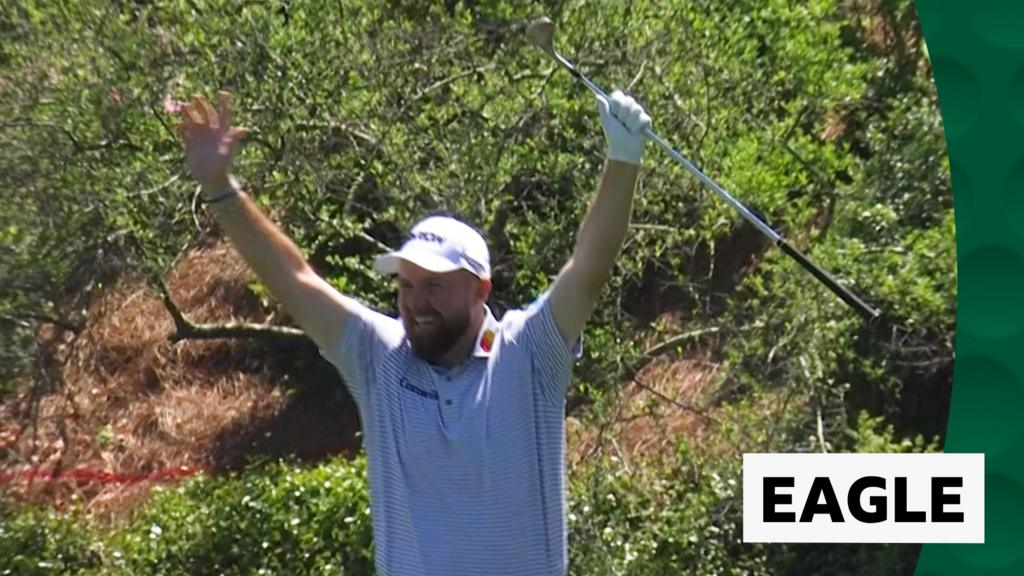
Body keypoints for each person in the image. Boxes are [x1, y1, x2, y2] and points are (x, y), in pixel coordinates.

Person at [176, 87, 651, 576]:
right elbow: (294, 279)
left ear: (479, 289)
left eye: (434, 285)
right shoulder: (378, 359)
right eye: (406, 284)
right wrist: (220, 189)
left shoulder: (530, 353)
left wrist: (622, 159)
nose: (415, 302)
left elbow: (588, 270)